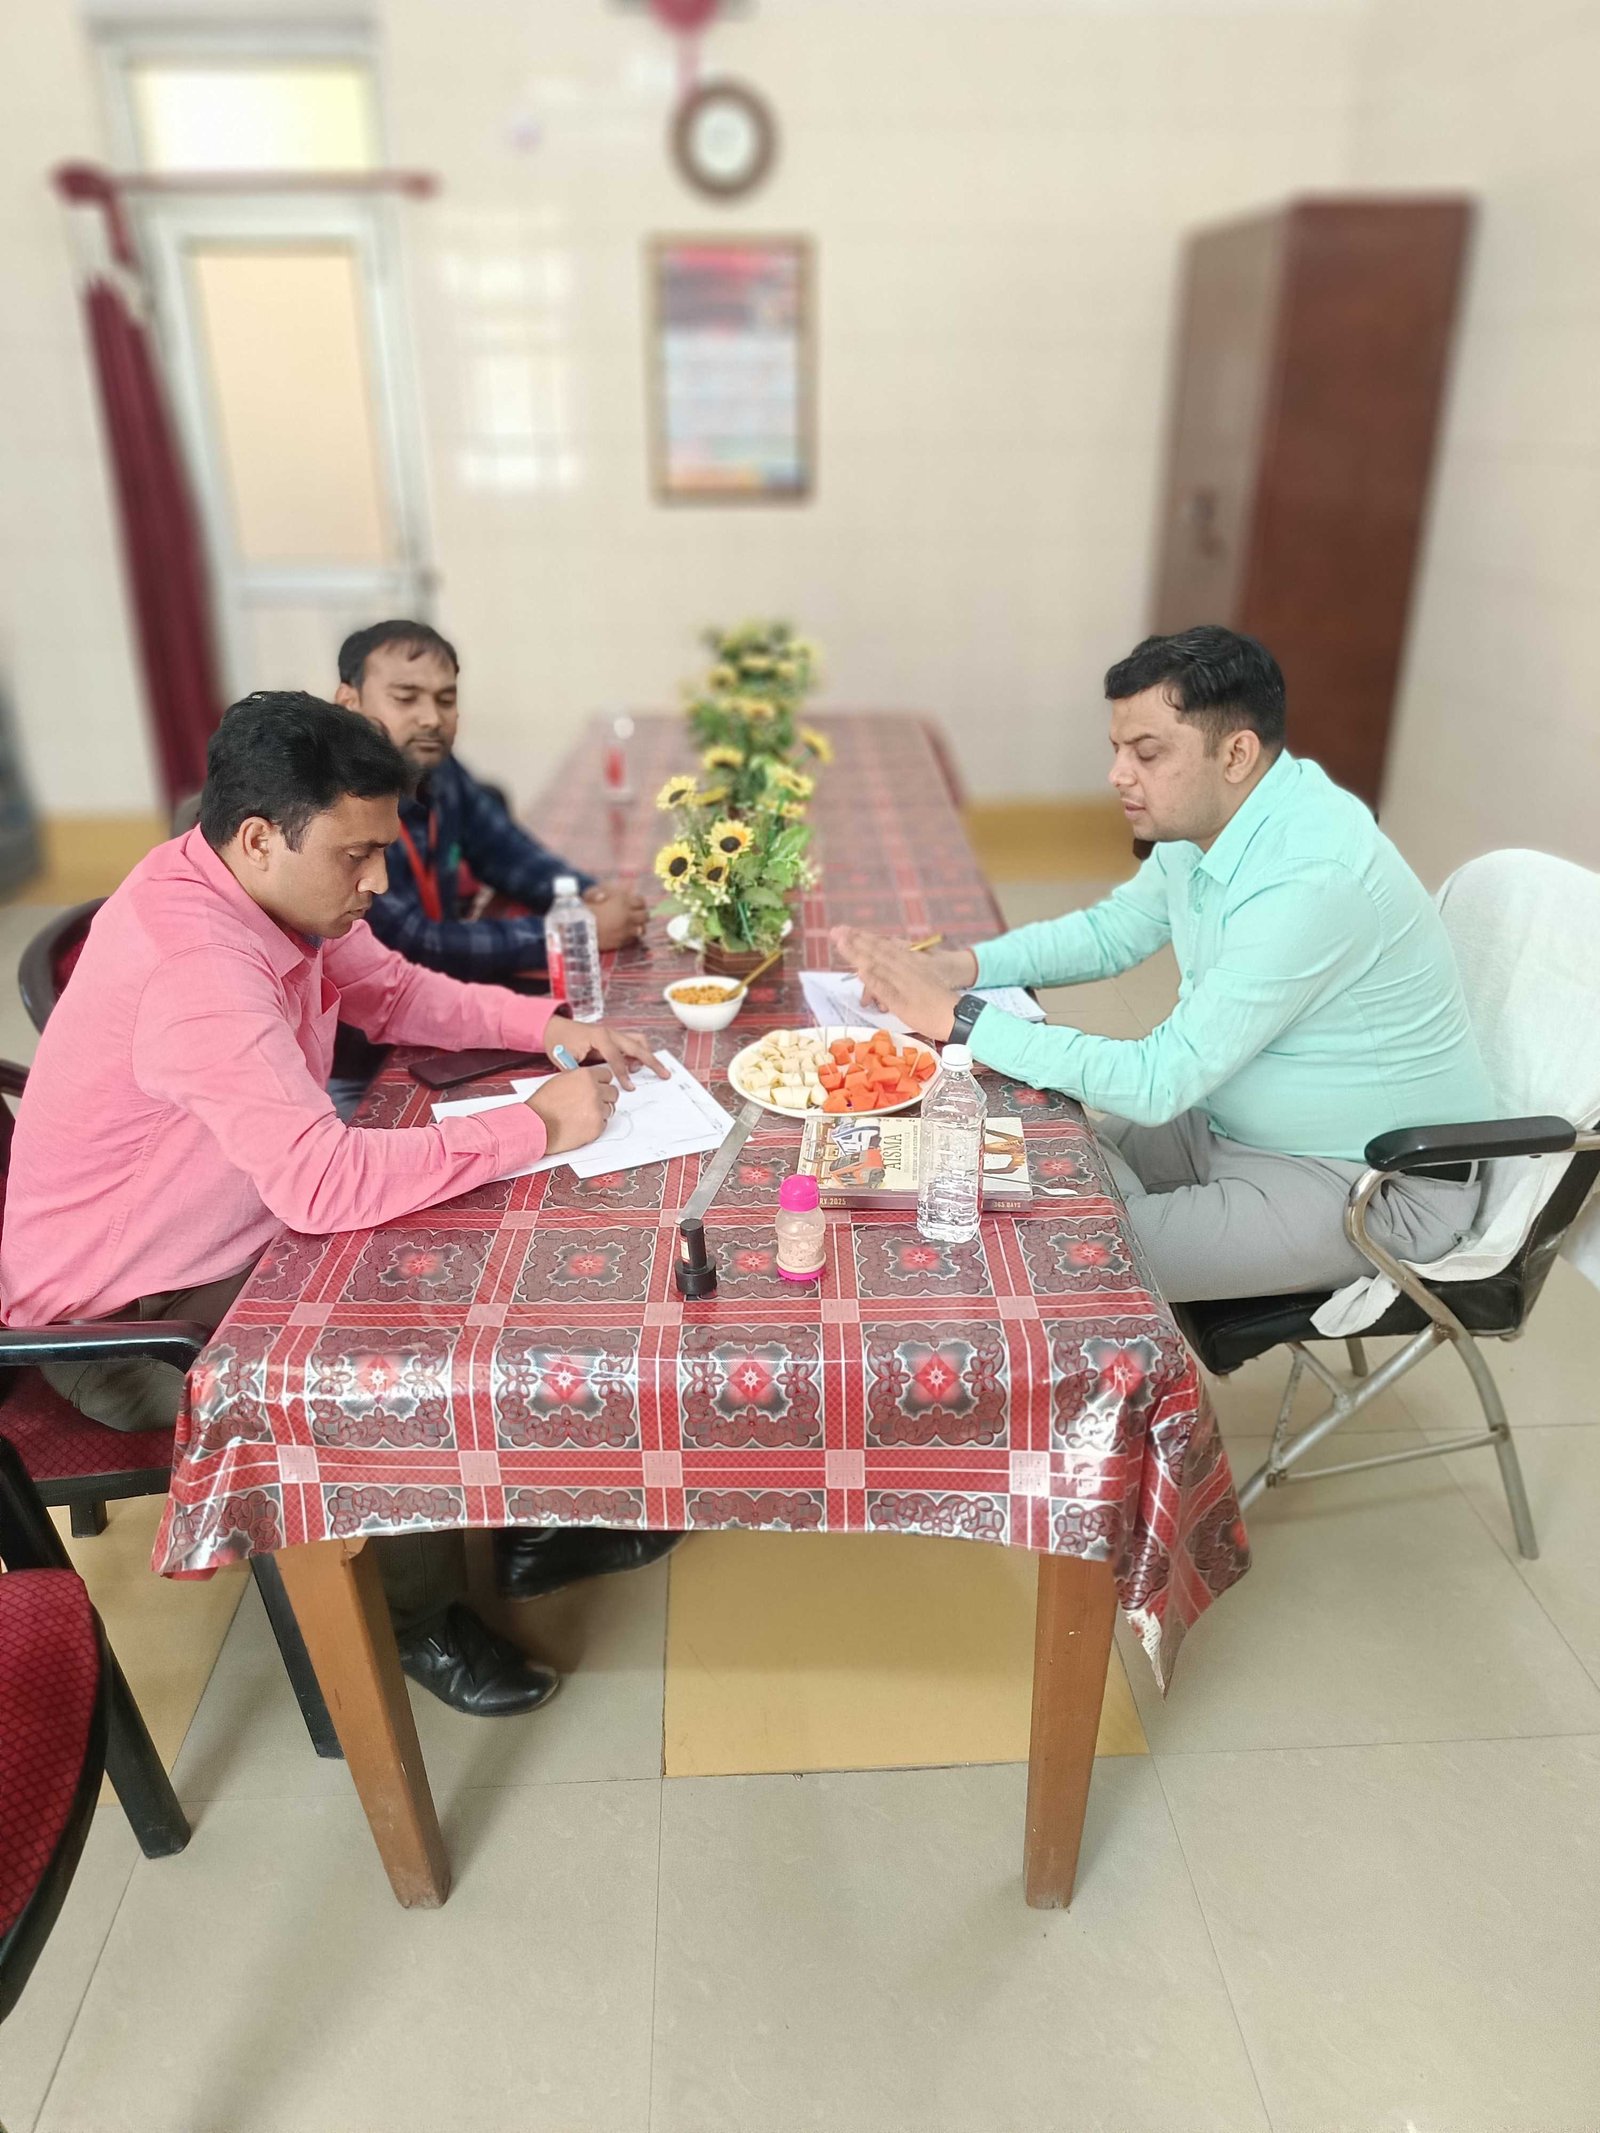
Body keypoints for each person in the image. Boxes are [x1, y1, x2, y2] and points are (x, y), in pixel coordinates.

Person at [0, 693, 677, 1717]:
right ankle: (418, 1619)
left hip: (233, 1229)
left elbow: (394, 992)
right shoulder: (199, 967)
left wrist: (548, 1029)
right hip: (125, 1324)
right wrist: (534, 1126)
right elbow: (320, 1185)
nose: (378, 882)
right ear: (260, 837)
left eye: (383, 851)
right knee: (383, 1357)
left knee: (467, 1231)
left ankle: (525, 1514)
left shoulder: (259, 889)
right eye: (355, 856)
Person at [833, 625, 1494, 1303]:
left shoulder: (1313, 877)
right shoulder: (1217, 814)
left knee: (1056, 1251)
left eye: (1146, 753)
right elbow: (1112, 932)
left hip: (1366, 1180)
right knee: (1019, 1155)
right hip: (1224, 1120)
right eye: (1118, 750)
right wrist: (960, 968)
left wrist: (960, 1018)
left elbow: (1157, 1081)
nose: (1118, 774)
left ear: (1235, 753)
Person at [333, 619, 647, 984]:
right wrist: (572, 932)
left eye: (446, 700)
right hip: (372, 1008)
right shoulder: (334, 803)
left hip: (439, 990)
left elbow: (504, 850)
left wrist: (586, 894)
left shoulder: (438, 769)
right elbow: (412, 944)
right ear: (349, 703)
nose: (432, 719)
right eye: (406, 698)